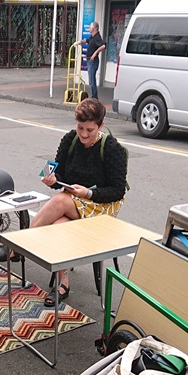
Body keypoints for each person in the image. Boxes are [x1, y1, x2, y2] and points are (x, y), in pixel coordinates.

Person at [31, 98, 128, 306]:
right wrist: (50, 180)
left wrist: (88, 194)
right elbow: (58, 174)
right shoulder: (70, 140)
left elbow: (118, 191)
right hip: (75, 200)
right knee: (59, 224)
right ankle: (63, 284)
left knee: (59, 202)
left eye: (90, 130)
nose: (84, 134)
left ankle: (23, 243)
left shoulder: (112, 148)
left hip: (102, 206)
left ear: (100, 126)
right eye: (80, 127)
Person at [78, 22, 106, 100]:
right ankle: (94, 96)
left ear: (93, 28)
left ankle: (94, 97)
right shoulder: (92, 37)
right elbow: (87, 40)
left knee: (91, 80)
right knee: (91, 80)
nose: (89, 28)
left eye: (90, 27)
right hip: (90, 60)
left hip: (93, 61)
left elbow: (103, 46)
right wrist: (79, 42)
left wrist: (95, 53)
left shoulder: (97, 37)